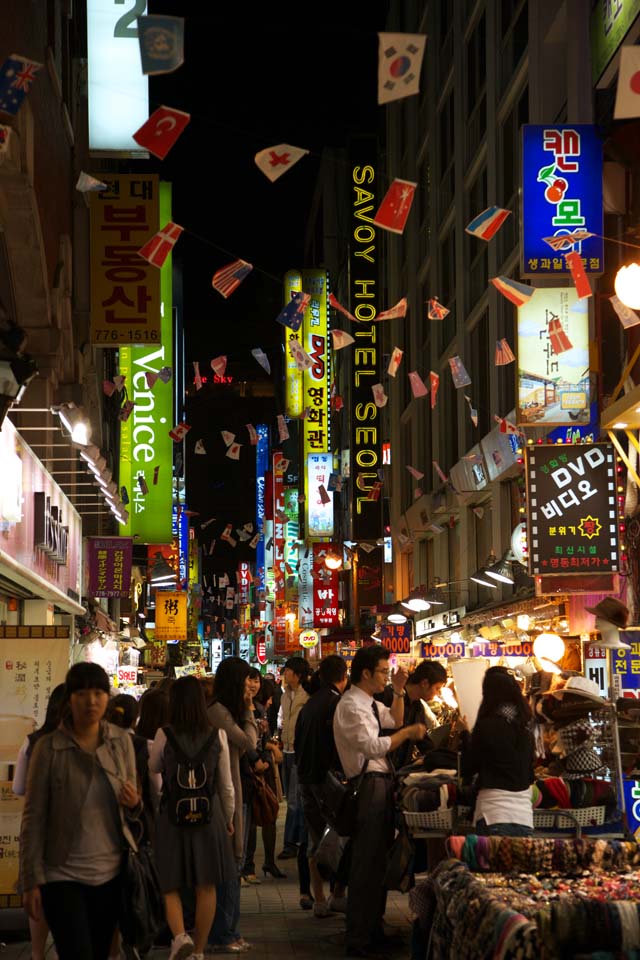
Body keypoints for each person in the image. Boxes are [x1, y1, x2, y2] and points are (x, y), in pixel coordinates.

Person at [19, 663, 141, 960]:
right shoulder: (48, 748)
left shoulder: (121, 743)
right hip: (62, 875)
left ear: (107, 697)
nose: (91, 701)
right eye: (82, 693)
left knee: (99, 953)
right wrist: (30, 879)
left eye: (99, 692)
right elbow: (34, 817)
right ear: (69, 699)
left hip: (111, 875)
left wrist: (134, 802)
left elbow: (135, 807)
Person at [333, 646, 427, 959]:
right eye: (383, 672)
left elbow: (394, 719)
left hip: (381, 784)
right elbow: (375, 746)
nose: (387, 676)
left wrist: (399, 690)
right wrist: (409, 733)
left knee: (377, 865)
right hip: (368, 786)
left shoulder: (370, 703)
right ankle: (358, 938)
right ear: (366, 673)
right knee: (365, 865)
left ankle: (373, 930)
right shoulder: (350, 706)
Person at [149, 675, 236, 960]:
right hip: (209, 817)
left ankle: (179, 936)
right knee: (207, 884)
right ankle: (198, 951)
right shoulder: (217, 734)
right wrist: (230, 817)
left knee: (170, 882)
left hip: (173, 815)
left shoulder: (165, 733)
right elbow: (225, 785)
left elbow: (154, 767)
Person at [207, 658, 268, 954]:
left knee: (235, 863)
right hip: (224, 796)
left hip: (234, 790)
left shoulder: (224, 710)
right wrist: (248, 710)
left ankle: (231, 930)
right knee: (230, 864)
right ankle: (224, 932)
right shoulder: (218, 712)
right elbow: (248, 741)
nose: (251, 684)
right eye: (246, 679)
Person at [12, 683, 66, 960]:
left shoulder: (32, 742)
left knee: (39, 894)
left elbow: (19, 788)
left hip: (39, 830)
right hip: (74, 833)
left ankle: (37, 954)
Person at [295, 655, 349, 918]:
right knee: (345, 832)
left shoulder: (309, 706)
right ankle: (337, 894)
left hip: (305, 778)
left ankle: (319, 899)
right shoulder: (335, 703)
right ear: (344, 676)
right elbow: (340, 745)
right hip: (326, 778)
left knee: (316, 838)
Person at [461, 665, 535, 837]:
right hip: (524, 817)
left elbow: (468, 767)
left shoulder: (487, 726)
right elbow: (529, 775)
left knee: (491, 865)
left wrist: (465, 737)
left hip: (493, 813)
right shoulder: (526, 729)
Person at [277, 657, 310, 860]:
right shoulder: (285, 695)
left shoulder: (306, 695)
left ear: (297, 674)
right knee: (291, 798)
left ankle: (292, 843)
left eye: (287, 671)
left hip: (300, 751)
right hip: (287, 750)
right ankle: (296, 840)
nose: (284, 674)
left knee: (295, 800)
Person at [391, 661, 448, 770]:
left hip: (399, 771)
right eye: (437, 688)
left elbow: (423, 741)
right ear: (424, 683)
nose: (438, 693)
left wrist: (439, 758)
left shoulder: (418, 707)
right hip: (381, 769)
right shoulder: (392, 696)